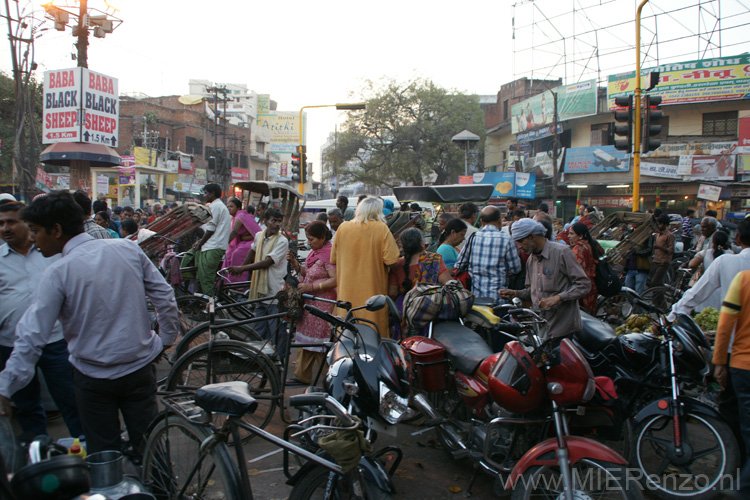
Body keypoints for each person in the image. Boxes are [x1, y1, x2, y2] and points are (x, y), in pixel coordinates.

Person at [0, 191, 179, 455]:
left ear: (56, 230)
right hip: (139, 370)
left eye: (36, 231)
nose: (35, 240)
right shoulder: (126, 248)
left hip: (94, 379)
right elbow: (164, 295)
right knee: (150, 447)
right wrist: (165, 340)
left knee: (104, 455)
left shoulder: (58, 272)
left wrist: (5, 387)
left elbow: (31, 334)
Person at [0, 201, 83, 439]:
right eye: (1, 223)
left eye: (12, 222)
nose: (5, 228)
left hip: (55, 341)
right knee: (25, 403)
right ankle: (36, 449)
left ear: (28, 225)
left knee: (69, 399)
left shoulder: (51, 252)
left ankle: (84, 448)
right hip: (10, 343)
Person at [499, 219, 590, 340]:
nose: (519, 246)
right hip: (542, 327)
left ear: (532, 237)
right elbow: (532, 291)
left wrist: (558, 298)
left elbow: (584, 285)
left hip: (563, 329)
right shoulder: (531, 260)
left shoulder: (561, 253)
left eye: (521, 241)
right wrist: (515, 293)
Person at [331, 197, 400, 338]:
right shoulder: (381, 228)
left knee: (346, 338)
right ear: (377, 212)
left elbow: (333, 259)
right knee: (373, 337)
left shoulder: (343, 228)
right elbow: (391, 260)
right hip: (372, 297)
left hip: (346, 295)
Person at [228, 210, 289, 358]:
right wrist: (241, 267)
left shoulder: (282, 241)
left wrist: (242, 268)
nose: (277, 224)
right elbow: (252, 250)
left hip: (274, 289)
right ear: (266, 221)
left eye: (279, 221)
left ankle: (279, 360)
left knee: (277, 331)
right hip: (259, 290)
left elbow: (268, 261)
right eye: (274, 220)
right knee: (260, 329)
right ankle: (262, 359)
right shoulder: (259, 236)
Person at [712, 270, 750, 500]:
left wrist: (718, 362)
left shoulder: (743, 279)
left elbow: (725, 323)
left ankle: (743, 487)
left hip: (743, 366)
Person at [286, 221, 337, 385]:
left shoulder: (329, 254)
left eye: (311, 239)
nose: (308, 243)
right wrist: (294, 263)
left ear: (322, 238)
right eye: (307, 239)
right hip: (310, 303)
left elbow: (336, 280)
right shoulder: (315, 254)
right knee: (307, 342)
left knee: (319, 344)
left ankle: (330, 380)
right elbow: (308, 272)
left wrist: (313, 286)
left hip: (323, 304)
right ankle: (302, 375)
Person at [389, 228, 452, 338]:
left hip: (405, 312)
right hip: (428, 310)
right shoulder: (434, 260)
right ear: (421, 243)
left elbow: (392, 293)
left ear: (402, 245)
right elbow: (448, 283)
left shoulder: (397, 265)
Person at [455, 205, 521, 302]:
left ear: (481, 221)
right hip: (499, 298)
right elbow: (516, 268)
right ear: (499, 220)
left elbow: (459, 264)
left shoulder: (473, 237)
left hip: (476, 298)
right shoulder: (506, 239)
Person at [193, 184, 231, 295]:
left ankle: (211, 305)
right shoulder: (217, 206)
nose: (204, 196)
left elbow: (210, 229)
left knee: (207, 279)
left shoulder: (216, 206)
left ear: (212, 193)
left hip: (213, 246)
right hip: (211, 246)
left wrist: (200, 244)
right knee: (203, 278)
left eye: (206, 193)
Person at [222, 197, 261, 283]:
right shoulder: (232, 218)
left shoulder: (240, 216)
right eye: (227, 206)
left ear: (238, 208)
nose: (229, 208)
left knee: (236, 254)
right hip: (242, 242)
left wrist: (223, 243)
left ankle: (238, 282)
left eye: (231, 206)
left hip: (252, 243)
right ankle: (227, 280)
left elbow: (234, 233)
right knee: (228, 253)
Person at [567, 222, 603, 315]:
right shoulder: (591, 243)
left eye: (572, 234)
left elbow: (576, 269)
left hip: (582, 287)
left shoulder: (579, 248)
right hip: (592, 285)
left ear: (580, 236)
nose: (568, 236)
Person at [651, 214, 675, 309]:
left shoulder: (669, 236)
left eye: (660, 224)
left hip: (663, 262)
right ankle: (660, 304)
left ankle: (658, 303)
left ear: (665, 224)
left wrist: (660, 247)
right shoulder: (656, 234)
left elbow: (671, 250)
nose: (659, 225)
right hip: (656, 260)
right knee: (657, 283)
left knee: (655, 282)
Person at [623, 230, 653, 295]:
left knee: (638, 292)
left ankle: (636, 305)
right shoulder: (628, 233)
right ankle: (632, 304)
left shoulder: (647, 235)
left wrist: (635, 252)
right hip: (630, 267)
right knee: (628, 291)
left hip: (641, 268)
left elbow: (649, 250)